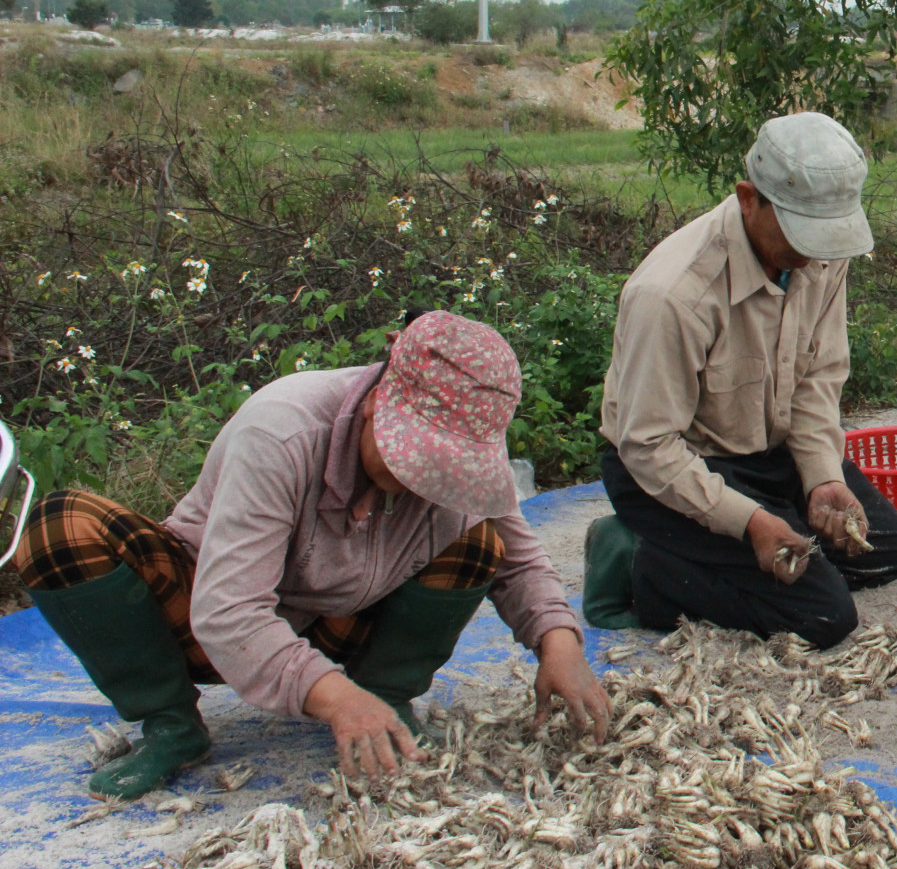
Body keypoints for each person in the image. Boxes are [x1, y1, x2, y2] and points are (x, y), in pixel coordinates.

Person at [14, 311, 610, 800]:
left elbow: (520, 558)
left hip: (348, 622)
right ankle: (171, 723)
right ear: (379, 401)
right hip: (205, 620)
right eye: (416, 462)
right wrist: (335, 700)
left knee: (482, 540)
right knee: (61, 527)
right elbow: (229, 612)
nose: (426, 483)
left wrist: (559, 642)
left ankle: (387, 697)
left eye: (443, 471)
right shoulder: (283, 432)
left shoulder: (471, 424)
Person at [588, 112, 897, 649]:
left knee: (885, 550)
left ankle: (734, 537)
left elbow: (817, 380)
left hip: (766, 452)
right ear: (747, 198)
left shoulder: (820, 258)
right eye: (798, 232)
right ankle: (640, 568)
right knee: (825, 616)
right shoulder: (673, 294)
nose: (811, 253)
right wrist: (750, 522)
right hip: (669, 470)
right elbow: (647, 446)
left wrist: (822, 478)